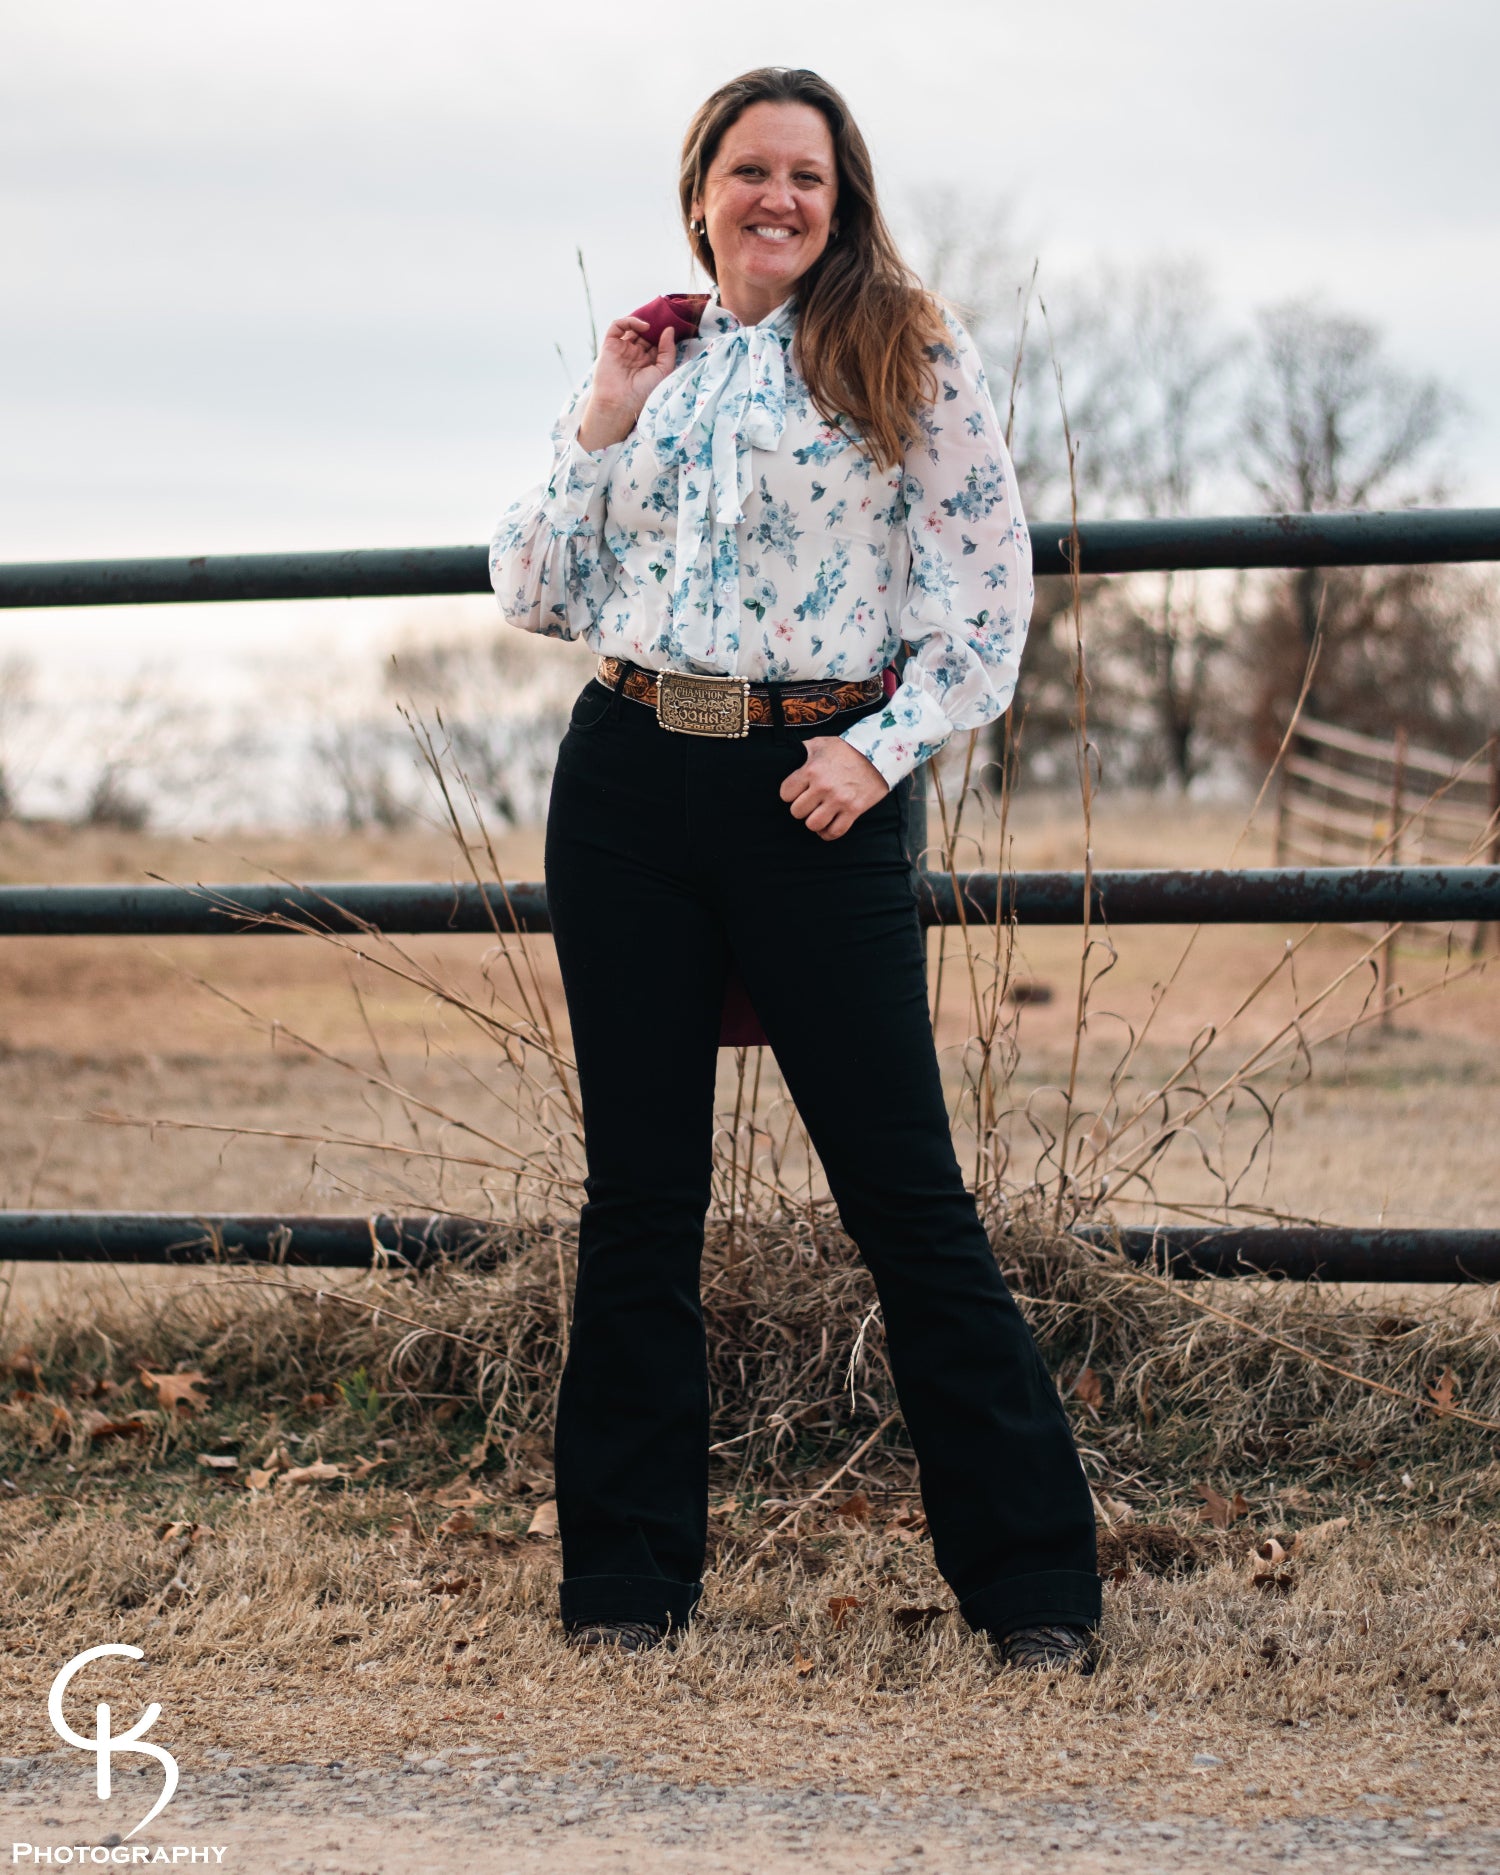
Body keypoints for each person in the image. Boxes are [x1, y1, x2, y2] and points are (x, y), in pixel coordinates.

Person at [489, 66, 1101, 1673]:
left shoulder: (903, 342)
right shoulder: (663, 365)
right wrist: (604, 414)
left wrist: (875, 750)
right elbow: (540, 592)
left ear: (842, 199)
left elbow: (988, 597)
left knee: (906, 1198)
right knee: (638, 1203)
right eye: (750, 171)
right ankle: (626, 1592)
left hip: (812, 791)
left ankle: (1036, 1592)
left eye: (807, 177)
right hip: (625, 780)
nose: (779, 198)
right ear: (701, 192)